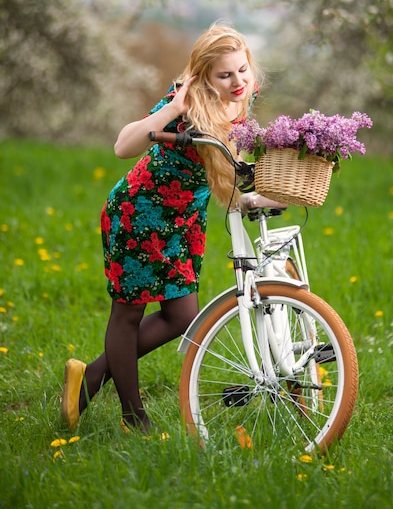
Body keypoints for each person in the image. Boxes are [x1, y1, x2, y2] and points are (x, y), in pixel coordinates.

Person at [61, 22, 262, 434]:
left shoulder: (239, 102)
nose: (237, 81)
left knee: (182, 315)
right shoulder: (185, 102)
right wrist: (172, 108)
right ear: (203, 75)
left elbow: (231, 169)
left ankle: (93, 374)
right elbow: (123, 146)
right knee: (129, 313)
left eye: (242, 70)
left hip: (183, 222)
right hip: (139, 213)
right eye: (225, 75)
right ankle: (134, 418)